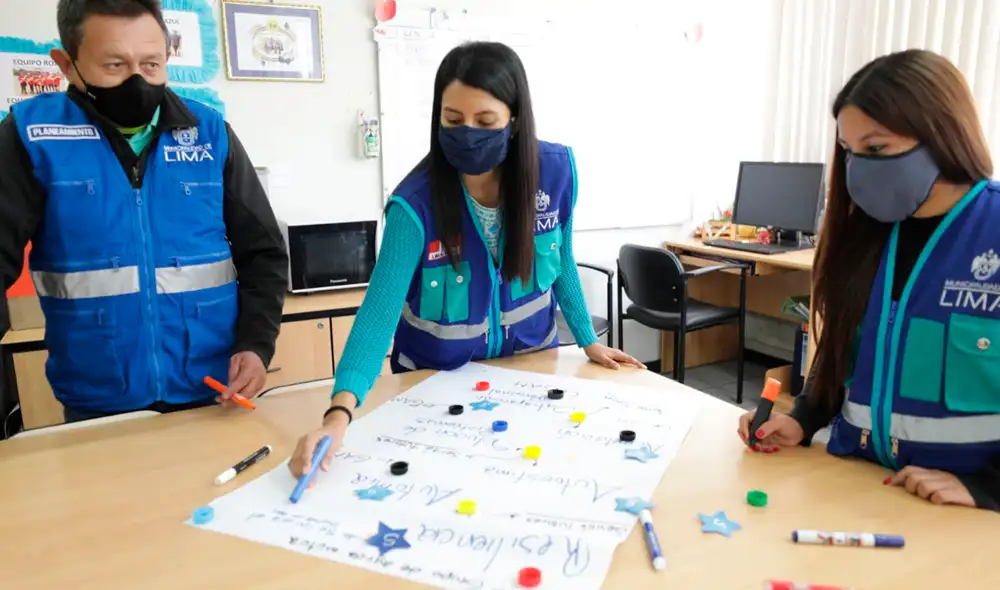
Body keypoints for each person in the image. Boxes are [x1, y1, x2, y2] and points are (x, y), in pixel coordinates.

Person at [289, 41, 644, 476]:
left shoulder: (555, 170)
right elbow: (378, 315)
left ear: (513, 120)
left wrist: (588, 340)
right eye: (453, 119)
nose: (468, 132)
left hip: (528, 373)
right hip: (433, 389)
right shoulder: (413, 206)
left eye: (485, 121)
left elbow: (561, 259)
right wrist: (338, 415)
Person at [0, 0, 288, 423]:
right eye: (115, 65)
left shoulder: (209, 133)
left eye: (152, 64)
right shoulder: (31, 137)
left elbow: (263, 252)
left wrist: (256, 345)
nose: (138, 80)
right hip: (98, 401)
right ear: (66, 64)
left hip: (211, 390)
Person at [737, 49, 1000, 511]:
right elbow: (843, 350)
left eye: (876, 148)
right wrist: (803, 418)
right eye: (850, 151)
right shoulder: (866, 234)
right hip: (854, 483)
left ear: (942, 133)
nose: (859, 168)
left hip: (960, 511)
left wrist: (990, 488)